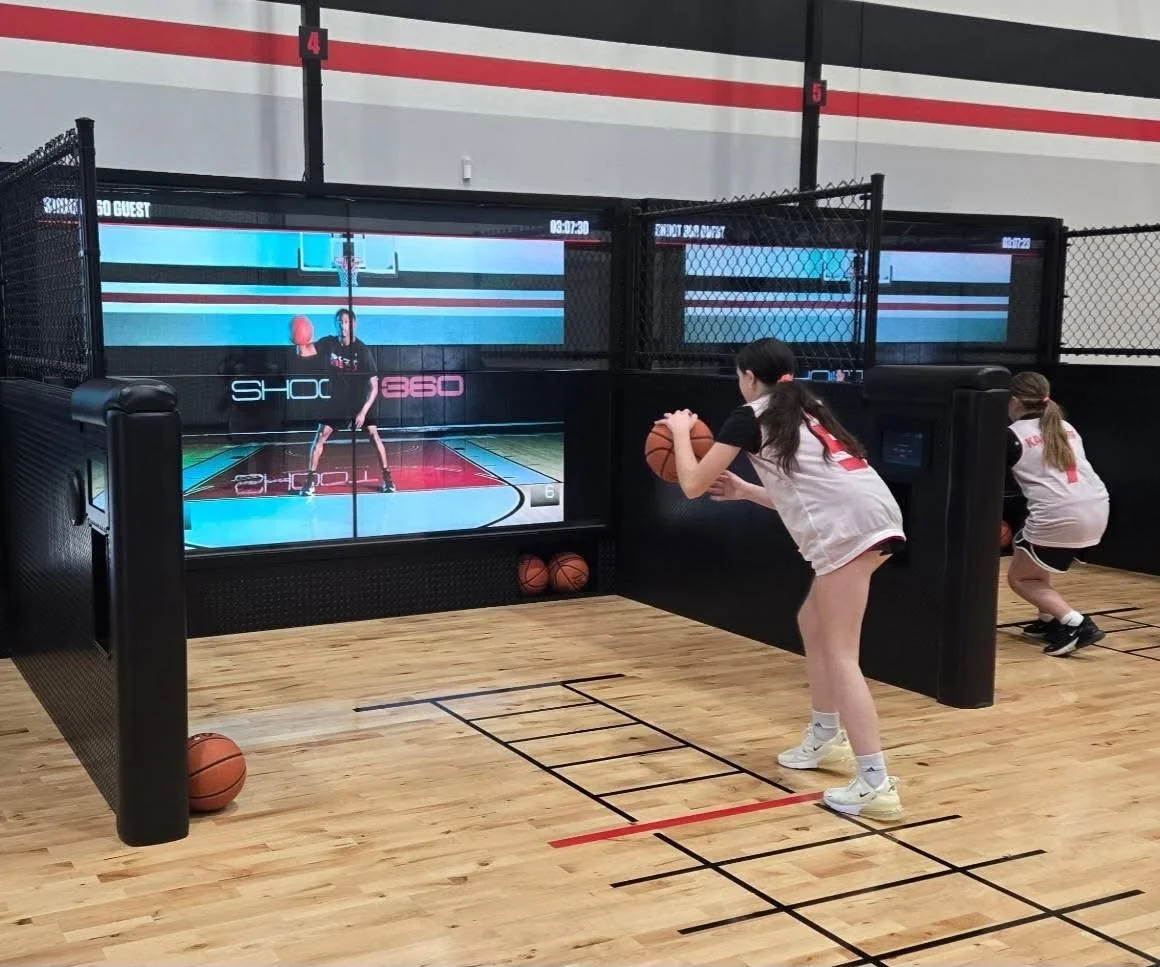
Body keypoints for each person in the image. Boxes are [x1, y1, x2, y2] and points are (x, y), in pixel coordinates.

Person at [655, 337, 905, 820]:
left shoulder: (750, 416)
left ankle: (876, 781)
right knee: (812, 623)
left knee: (841, 657)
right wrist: (749, 491)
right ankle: (824, 739)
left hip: (851, 531)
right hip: (873, 516)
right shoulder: (807, 406)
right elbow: (808, 491)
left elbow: (690, 483)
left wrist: (682, 432)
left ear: (748, 376)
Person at [1005, 371, 1109, 657]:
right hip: (1098, 507)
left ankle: (1076, 623)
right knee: (1026, 548)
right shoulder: (1066, 425)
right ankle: (1048, 620)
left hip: (1060, 514)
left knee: (1022, 579)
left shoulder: (1012, 436)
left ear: (1014, 402)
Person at [300, 308, 395, 496]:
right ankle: (309, 482)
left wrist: (363, 412)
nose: (343, 326)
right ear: (336, 324)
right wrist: (298, 339)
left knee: (373, 434)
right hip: (338, 402)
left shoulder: (363, 351)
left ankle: (387, 478)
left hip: (361, 401)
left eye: (346, 322)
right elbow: (305, 351)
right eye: (340, 322)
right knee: (320, 436)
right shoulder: (328, 343)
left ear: (353, 325)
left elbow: (374, 386)